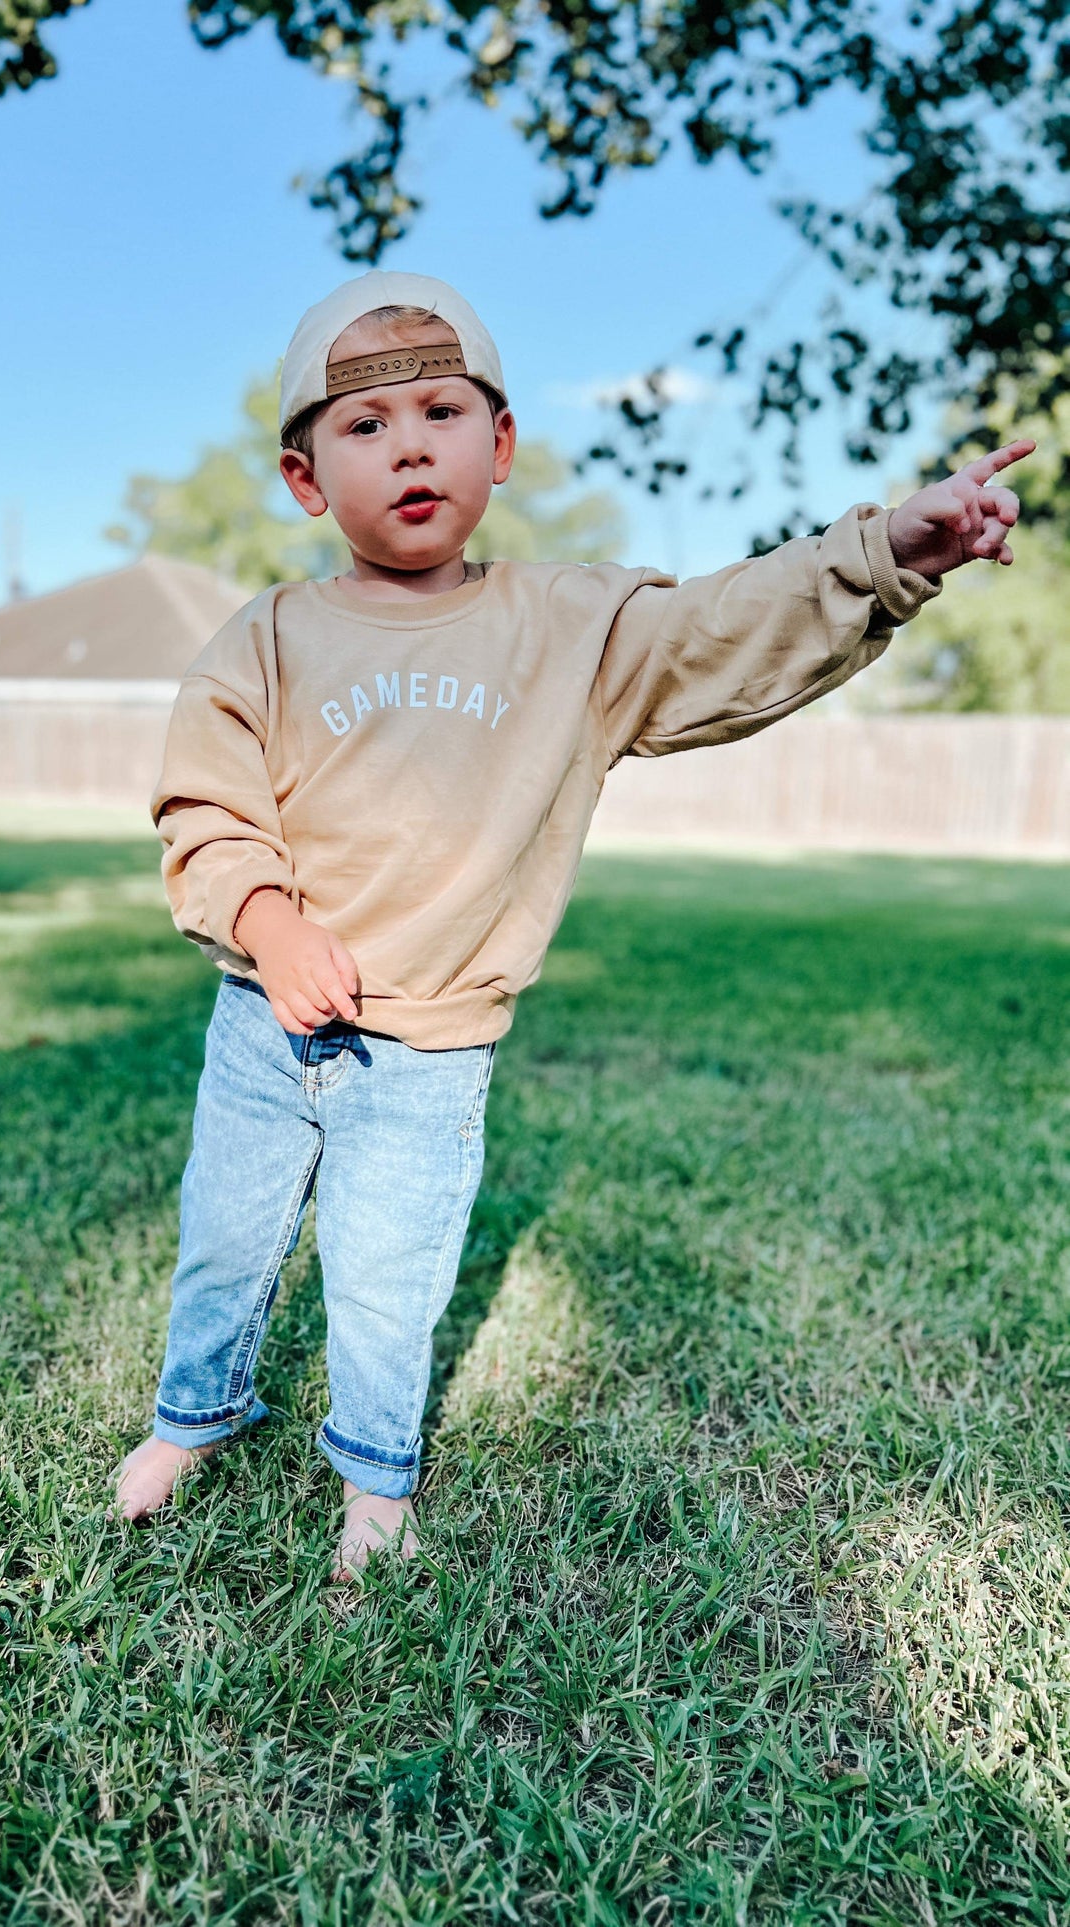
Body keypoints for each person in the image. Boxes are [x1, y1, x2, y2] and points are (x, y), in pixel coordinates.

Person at [113, 269, 1033, 1582]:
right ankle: (192, 1420)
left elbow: (726, 625)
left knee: (388, 1278)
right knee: (224, 1244)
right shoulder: (265, 636)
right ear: (304, 479)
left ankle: (373, 1479)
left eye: (440, 412)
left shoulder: (572, 628)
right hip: (263, 1024)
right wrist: (266, 922)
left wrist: (888, 549)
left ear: (497, 445)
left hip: (427, 1052)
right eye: (363, 428)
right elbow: (203, 806)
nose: (408, 444)